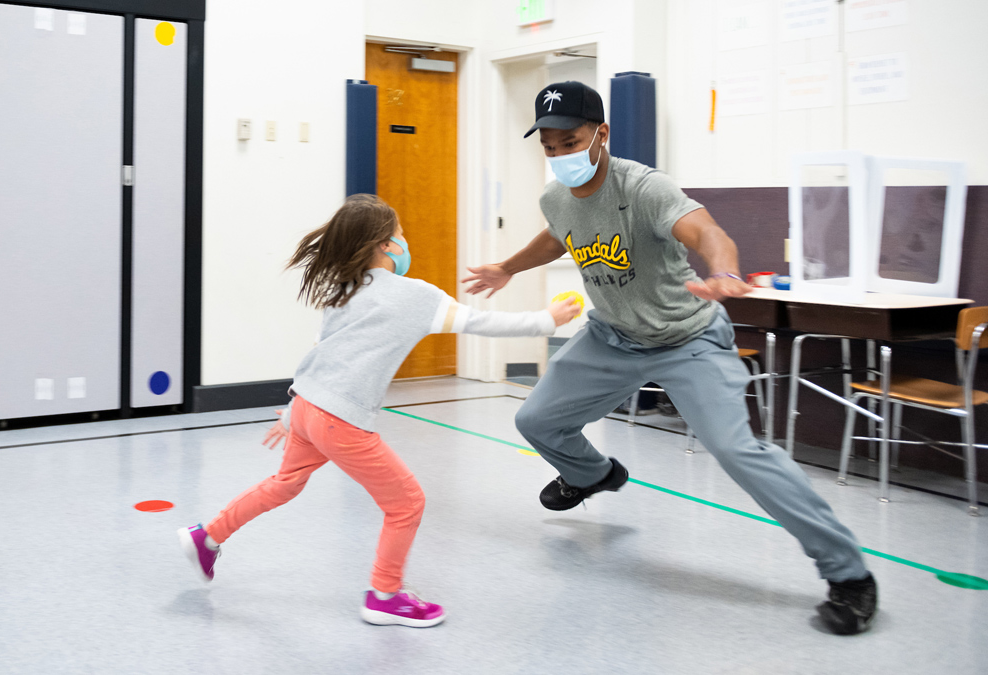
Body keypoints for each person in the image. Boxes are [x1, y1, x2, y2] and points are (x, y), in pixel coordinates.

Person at [462, 81, 877, 635]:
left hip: (687, 339)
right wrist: (509, 267)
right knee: (536, 420)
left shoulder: (646, 188)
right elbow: (558, 237)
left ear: (601, 134)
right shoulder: (556, 197)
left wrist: (724, 273)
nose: (560, 155)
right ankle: (594, 474)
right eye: (550, 146)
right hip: (613, 338)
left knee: (736, 450)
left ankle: (848, 574)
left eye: (571, 141)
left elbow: (706, 231)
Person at [179, 194, 582, 628]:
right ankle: (385, 595)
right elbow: (482, 323)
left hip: (310, 407)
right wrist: (549, 319)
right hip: (340, 418)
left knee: (285, 483)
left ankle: (208, 536)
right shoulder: (414, 296)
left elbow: (321, 352)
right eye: (401, 235)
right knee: (407, 502)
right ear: (388, 245)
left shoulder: (344, 290)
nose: (405, 243)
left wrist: (293, 409)